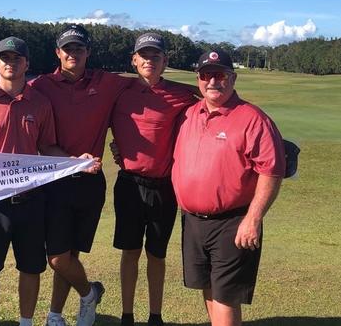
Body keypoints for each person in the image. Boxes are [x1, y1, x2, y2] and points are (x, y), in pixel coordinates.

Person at [0, 36, 99, 326]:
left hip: (32, 199)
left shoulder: (40, 103)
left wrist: (74, 162)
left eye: (17, 58)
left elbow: (47, 147)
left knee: (31, 267)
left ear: (27, 64)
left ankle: (26, 322)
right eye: (5, 58)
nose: (11, 63)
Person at [172, 50, 285, 326]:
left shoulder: (252, 118)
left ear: (232, 78)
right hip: (194, 221)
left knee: (225, 298)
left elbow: (271, 171)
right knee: (209, 290)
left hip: (233, 223)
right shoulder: (189, 114)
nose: (213, 82)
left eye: (220, 75)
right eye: (206, 75)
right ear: (198, 79)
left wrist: (253, 219)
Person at [30, 24, 132, 326]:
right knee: (58, 258)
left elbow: (149, 88)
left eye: (79, 48)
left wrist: (207, 92)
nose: (73, 53)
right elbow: (2, 95)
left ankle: (54, 315)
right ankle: (89, 294)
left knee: (70, 254)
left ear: (87, 52)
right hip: (53, 181)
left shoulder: (108, 82)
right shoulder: (41, 85)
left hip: (90, 184)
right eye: (67, 48)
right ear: (57, 53)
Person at [110, 33, 198, 326]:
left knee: (156, 255)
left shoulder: (182, 94)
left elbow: (216, 106)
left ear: (165, 62)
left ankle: (155, 316)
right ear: (134, 60)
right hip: (129, 186)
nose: (149, 61)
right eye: (143, 56)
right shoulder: (118, 91)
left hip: (164, 187)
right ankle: (127, 315)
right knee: (130, 252)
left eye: (155, 56)